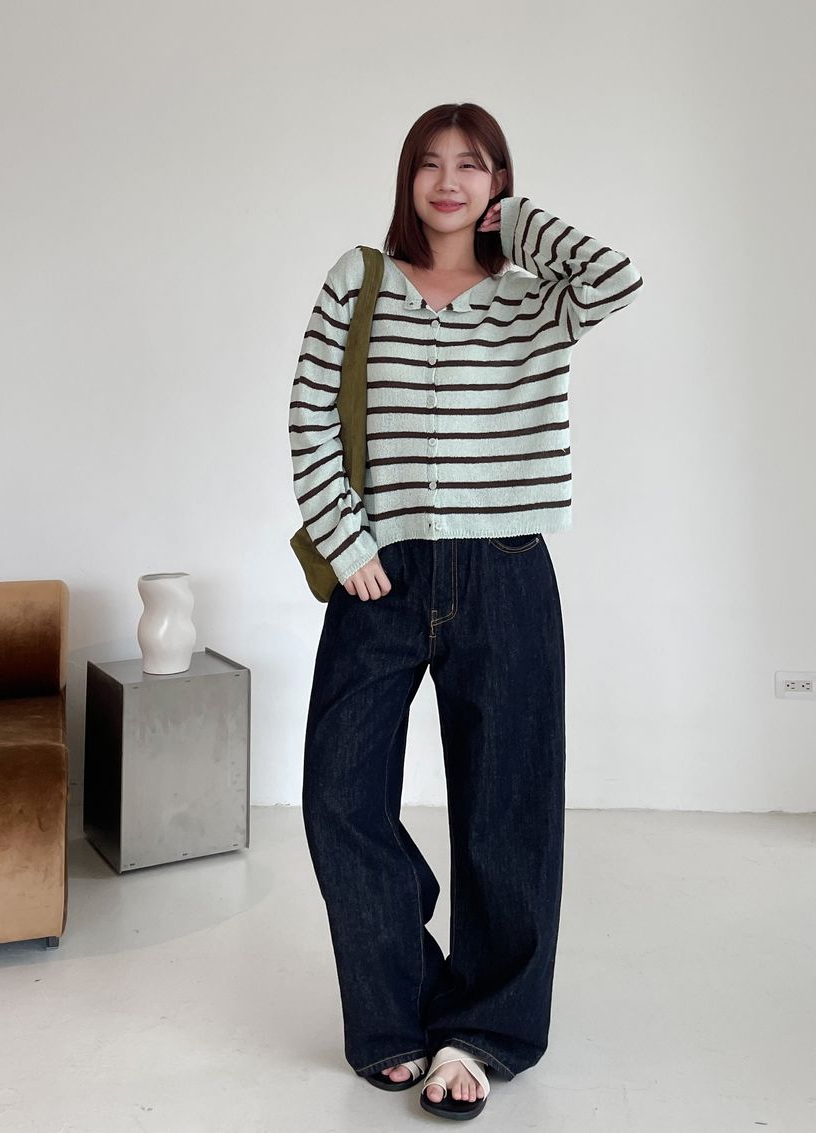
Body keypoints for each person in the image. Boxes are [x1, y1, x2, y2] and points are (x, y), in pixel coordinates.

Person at [288, 102, 643, 1120]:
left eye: (473, 165)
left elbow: (617, 277)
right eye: (430, 163)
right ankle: (394, 1006)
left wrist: (516, 224)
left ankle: (483, 1029)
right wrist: (348, 539)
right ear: (406, 178)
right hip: (380, 573)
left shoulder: (535, 300)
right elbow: (310, 413)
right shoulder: (359, 282)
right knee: (339, 795)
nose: (448, 181)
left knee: (509, 809)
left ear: (497, 182)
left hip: (507, 569)